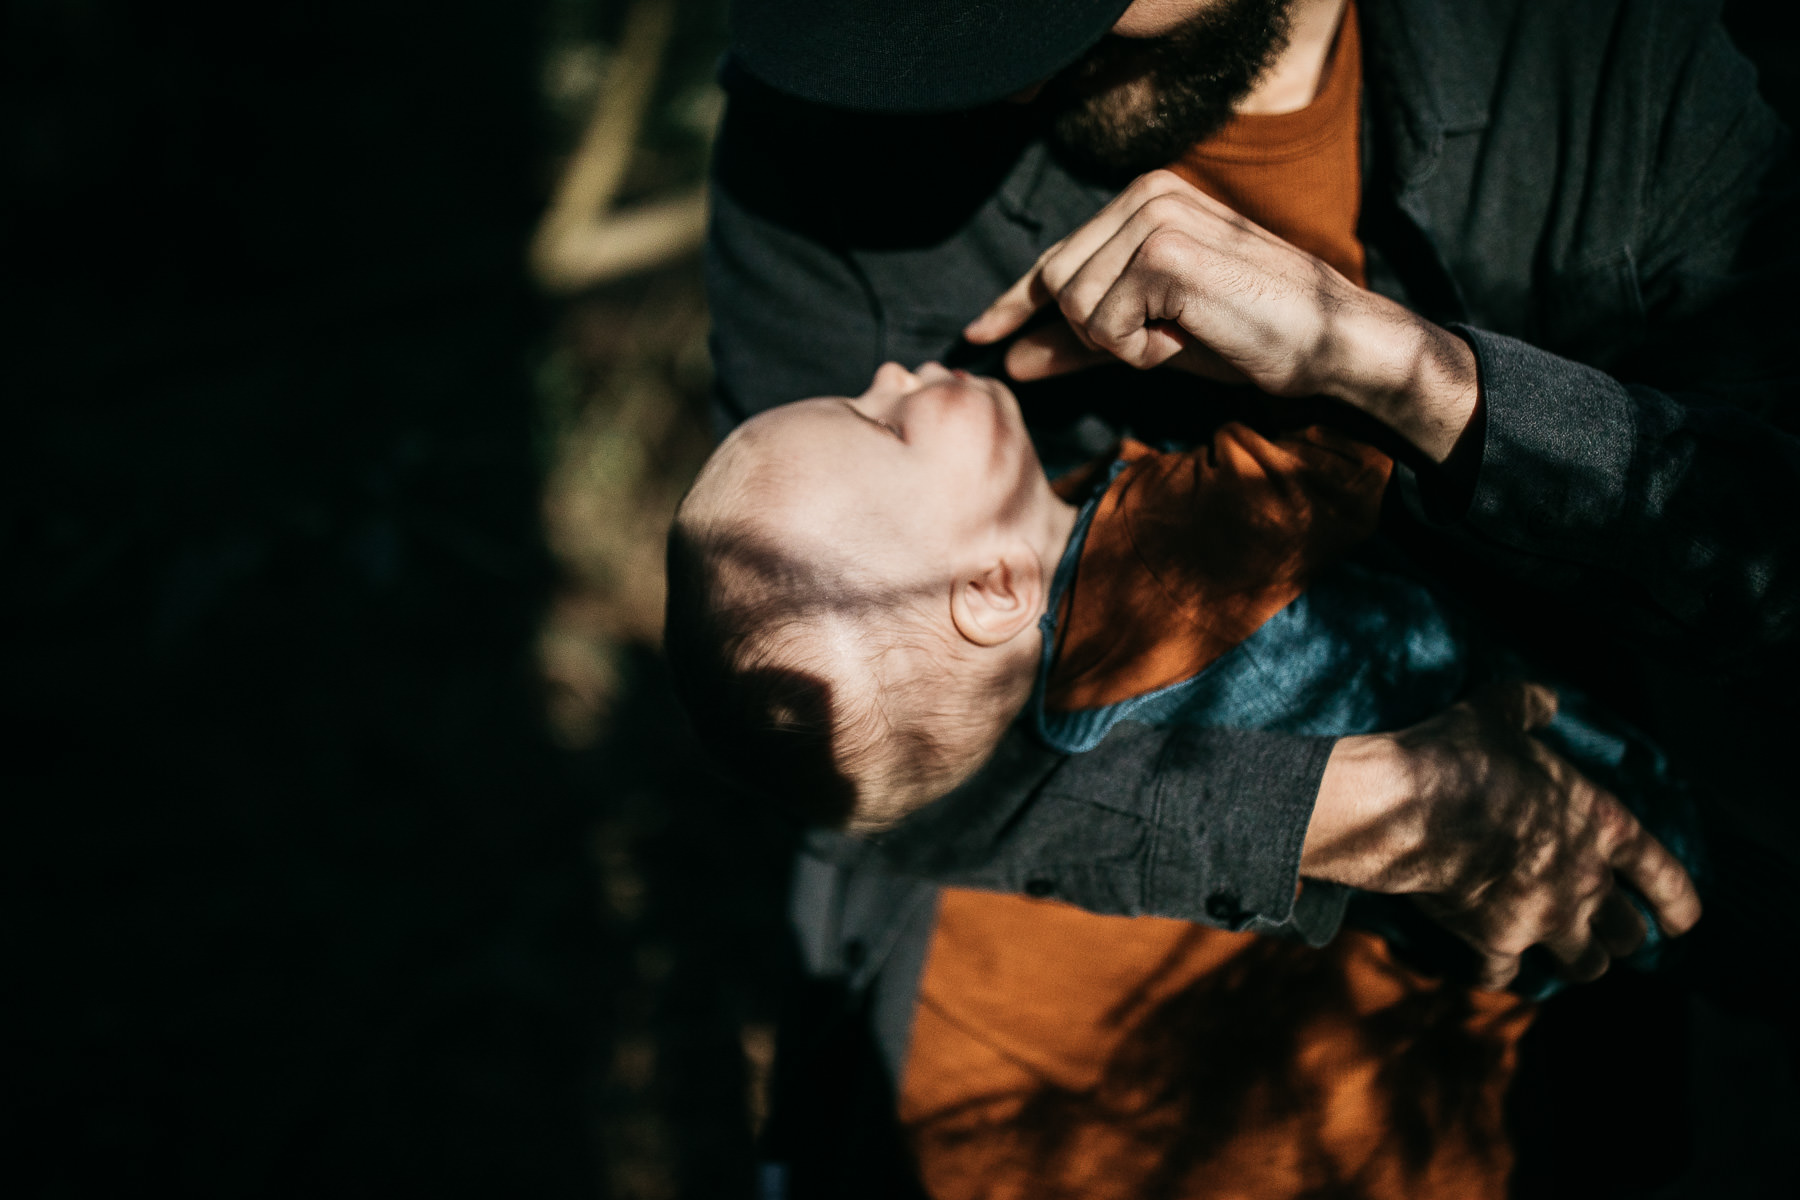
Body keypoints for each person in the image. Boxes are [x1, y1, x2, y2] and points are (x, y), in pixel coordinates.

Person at [705, 0, 1799, 1192]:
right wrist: (1331, 810)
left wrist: (1405, 369)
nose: (997, 83)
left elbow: (1771, 565)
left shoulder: (1616, 70)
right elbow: (813, 722)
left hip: (1461, 1078)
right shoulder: (833, 113)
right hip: (985, 1075)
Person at [666, 354, 1701, 1195]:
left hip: (1505, 916)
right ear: (988, 585)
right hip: (1583, 779)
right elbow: (1329, 445)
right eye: (885, 420)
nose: (896, 370)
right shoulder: (1163, 559)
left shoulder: (1074, 716)